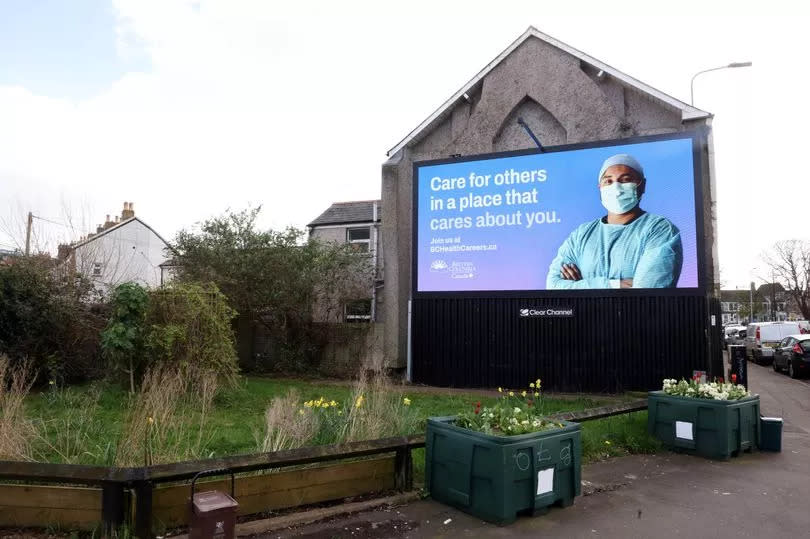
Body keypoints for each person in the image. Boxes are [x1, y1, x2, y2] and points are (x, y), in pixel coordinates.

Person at [546, 153, 682, 289]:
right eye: (608, 181)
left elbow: (648, 291)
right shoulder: (582, 234)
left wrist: (580, 286)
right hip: (583, 311)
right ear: (600, 187)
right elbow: (553, 285)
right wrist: (615, 285)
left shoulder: (659, 230)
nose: (616, 188)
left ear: (642, 185)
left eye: (625, 180)